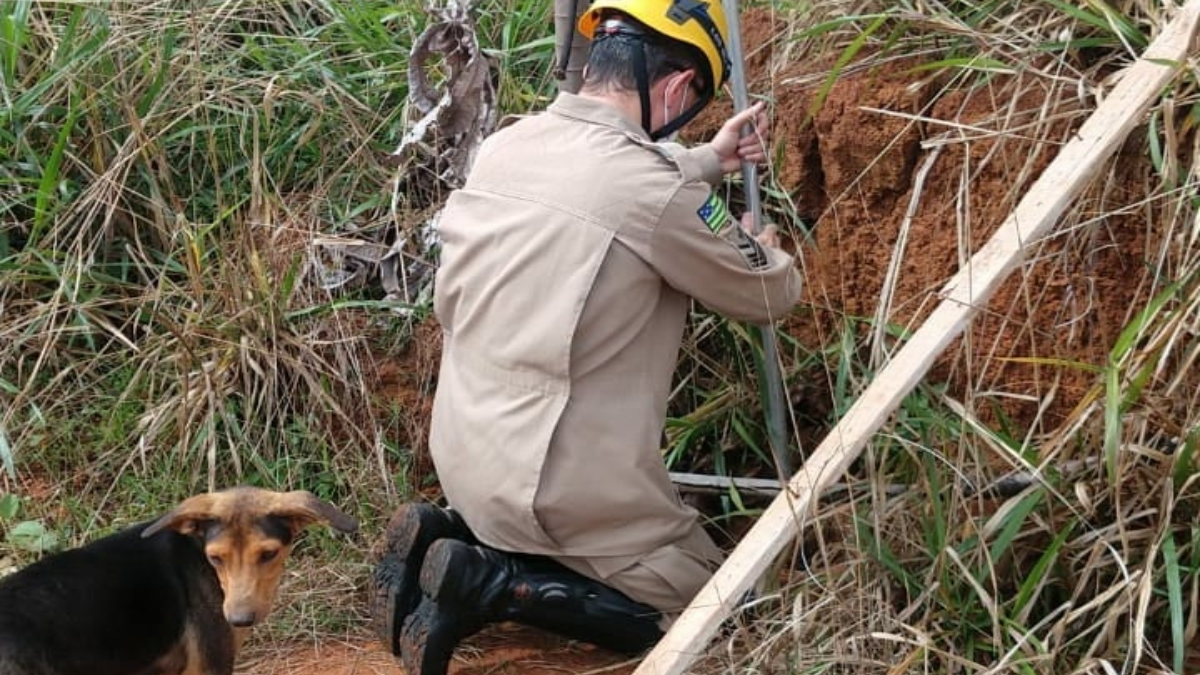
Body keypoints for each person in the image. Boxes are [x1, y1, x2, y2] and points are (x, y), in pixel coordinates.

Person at [370, 1, 802, 673]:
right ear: (678, 88)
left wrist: (707, 160)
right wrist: (760, 245)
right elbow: (770, 290)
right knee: (718, 598)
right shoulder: (655, 191)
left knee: (542, 513)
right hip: (554, 492)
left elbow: (615, 184)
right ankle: (494, 584)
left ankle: (453, 534)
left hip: (463, 456)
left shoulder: (509, 144)